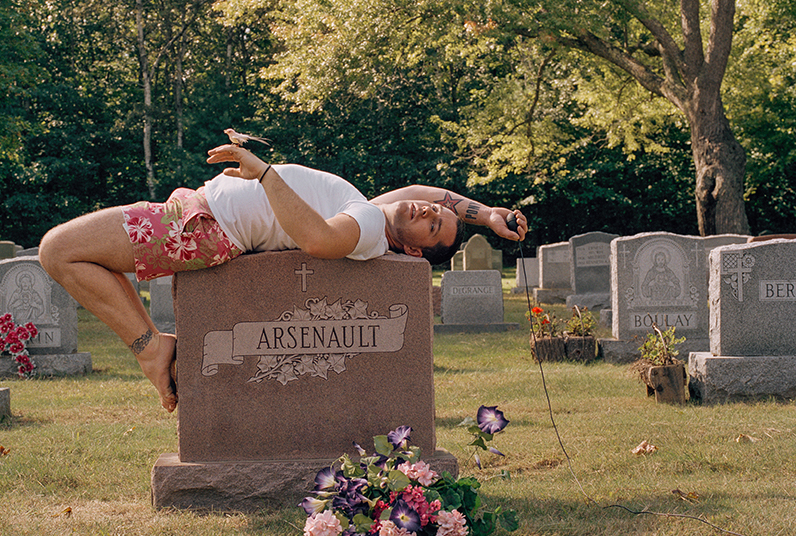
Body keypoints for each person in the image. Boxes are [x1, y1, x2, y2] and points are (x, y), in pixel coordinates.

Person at [38, 139, 527, 412]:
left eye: (433, 226)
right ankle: (152, 345)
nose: (428, 210)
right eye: (435, 213)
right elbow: (429, 191)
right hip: (199, 213)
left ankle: (151, 350)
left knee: (58, 250)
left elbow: (319, 240)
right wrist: (485, 215)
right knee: (68, 252)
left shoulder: (366, 226)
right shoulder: (373, 209)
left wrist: (263, 172)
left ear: (411, 250)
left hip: (202, 227)